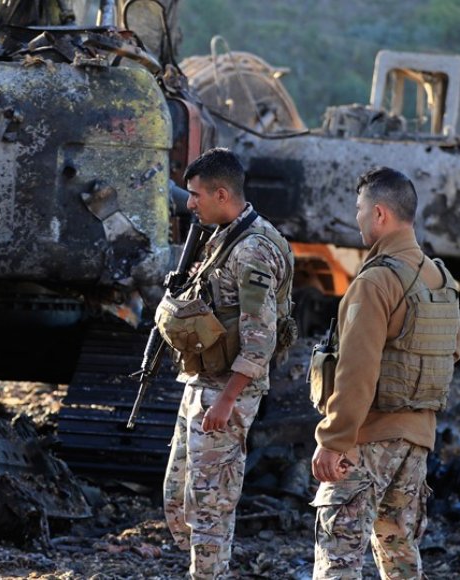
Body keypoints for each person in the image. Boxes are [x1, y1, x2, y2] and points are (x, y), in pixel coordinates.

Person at [310, 166, 460, 579]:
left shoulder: (376, 281)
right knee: (399, 554)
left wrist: (335, 439)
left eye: (360, 209)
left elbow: (357, 371)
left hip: (369, 439)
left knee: (339, 556)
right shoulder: (441, 279)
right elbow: (452, 352)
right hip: (417, 442)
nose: (356, 217)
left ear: (380, 214)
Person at [158, 148, 294, 579]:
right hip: (202, 379)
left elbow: (259, 339)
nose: (189, 203)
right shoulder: (221, 236)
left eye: (196, 195)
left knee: (210, 502)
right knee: (179, 494)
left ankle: (209, 573)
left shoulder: (253, 250)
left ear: (221, 194)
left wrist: (227, 401)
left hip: (227, 389)